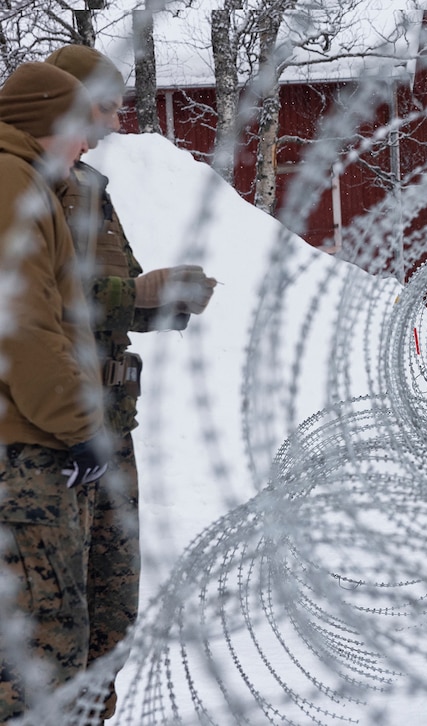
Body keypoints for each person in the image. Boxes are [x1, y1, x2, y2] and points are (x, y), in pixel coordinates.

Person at [43, 44, 218, 722]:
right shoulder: (17, 187)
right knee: (50, 618)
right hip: (49, 434)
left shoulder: (90, 190)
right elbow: (32, 300)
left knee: (111, 607)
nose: (114, 124)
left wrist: (165, 298)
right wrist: (129, 291)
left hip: (112, 433)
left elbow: (117, 291)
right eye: (106, 109)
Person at [0, 60, 109, 721]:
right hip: (26, 455)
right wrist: (80, 425)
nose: (90, 142)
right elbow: (26, 328)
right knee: (45, 648)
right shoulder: (14, 186)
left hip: (27, 445)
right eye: (80, 127)